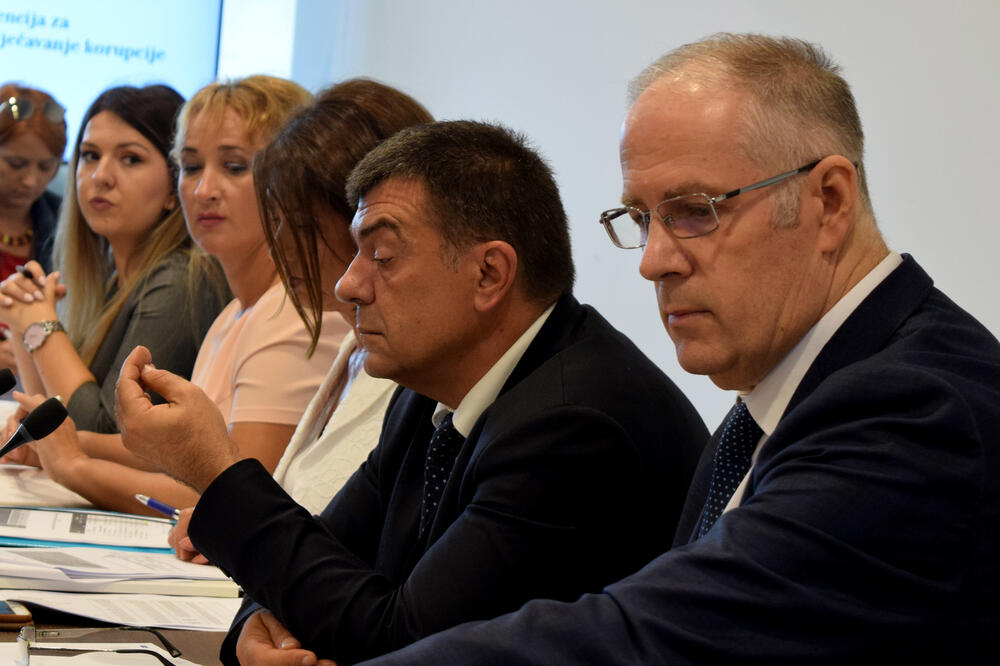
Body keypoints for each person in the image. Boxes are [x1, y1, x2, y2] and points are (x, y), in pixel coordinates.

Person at [351, 33, 1000, 665]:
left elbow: (653, 637)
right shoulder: (773, 401)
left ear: (828, 200)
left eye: (694, 210)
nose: (653, 261)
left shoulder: (915, 411)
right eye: (641, 219)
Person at [115, 120, 708, 664]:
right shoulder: (431, 385)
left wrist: (215, 470)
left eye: (382, 256)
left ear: (489, 274)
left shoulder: (574, 426)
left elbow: (402, 641)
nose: (349, 284)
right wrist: (256, 626)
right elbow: (322, 553)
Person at [3, 76, 344, 514]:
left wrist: (73, 462)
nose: (204, 191)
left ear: (290, 183)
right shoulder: (236, 313)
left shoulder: (280, 312)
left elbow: (242, 499)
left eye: (234, 167)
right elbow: (168, 453)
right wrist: (55, 442)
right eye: (192, 167)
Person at [168, 78, 434, 564]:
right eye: (276, 220)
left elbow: (352, 559)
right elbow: (311, 520)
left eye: (301, 224)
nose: (281, 245)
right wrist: (239, 529)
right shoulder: (353, 345)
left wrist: (74, 461)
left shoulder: (404, 362)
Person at [0, 84, 227, 435]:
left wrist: (40, 327)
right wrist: (23, 319)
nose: (100, 176)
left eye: (131, 159)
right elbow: (52, 414)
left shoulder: (179, 281)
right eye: (90, 155)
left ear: (175, 185)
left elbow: (106, 429)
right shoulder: (113, 276)